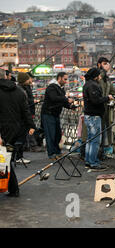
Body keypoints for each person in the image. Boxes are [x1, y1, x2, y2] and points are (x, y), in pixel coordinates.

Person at [0, 68, 36, 197]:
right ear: (7, 77)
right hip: (16, 130)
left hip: (2, 130)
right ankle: (13, 188)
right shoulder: (19, 92)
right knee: (6, 159)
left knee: (5, 160)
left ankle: (12, 188)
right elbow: (25, 111)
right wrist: (31, 126)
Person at [82, 67, 113, 171]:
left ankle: (88, 160)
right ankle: (93, 162)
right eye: (99, 75)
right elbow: (96, 100)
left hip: (89, 115)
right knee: (95, 140)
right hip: (94, 116)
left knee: (90, 140)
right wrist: (107, 98)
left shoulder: (87, 84)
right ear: (95, 76)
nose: (100, 77)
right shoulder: (93, 86)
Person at [41, 72, 76, 160]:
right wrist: (67, 99)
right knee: (50, 134)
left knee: (57, 134)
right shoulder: (51, 87)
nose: (66, 81)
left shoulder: (61, 89)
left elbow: (61, 102)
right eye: (65, 79)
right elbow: (54, 98)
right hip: (48, 114)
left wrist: (70, 106)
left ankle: (57, 151)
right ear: (59, 78)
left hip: (55, 114)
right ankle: (51, 153)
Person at [96, 57, 115, 157]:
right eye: (105, 63)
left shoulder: (106, 78)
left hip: (105, 108)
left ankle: (103, 151)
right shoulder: (98, 77)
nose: (107, 65)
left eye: (108, 64)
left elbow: (114, 91)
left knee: (104, 130)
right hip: (97, 108)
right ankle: (97, 155)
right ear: (99, 65)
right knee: (98, 133)